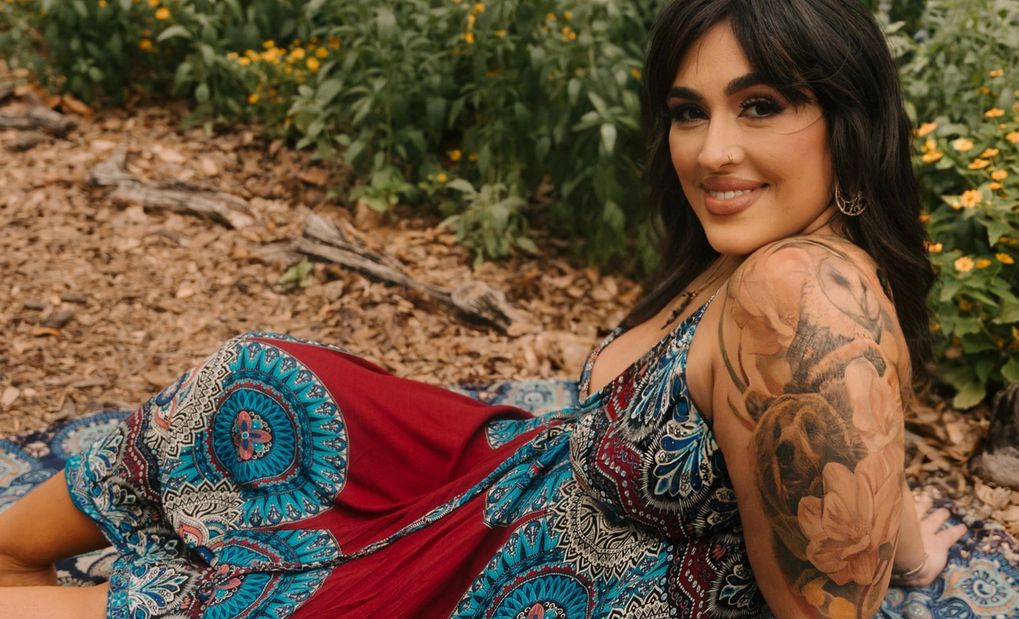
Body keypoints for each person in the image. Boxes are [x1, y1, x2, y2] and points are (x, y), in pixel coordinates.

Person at [0, 0, 967, 616]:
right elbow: (842, 444)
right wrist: (908, 544)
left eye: (759, 107)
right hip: (516, 474)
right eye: (688, 109)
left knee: (242, 595)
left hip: (533, 575)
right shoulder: (783, 257)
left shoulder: (803, 291)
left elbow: (827, 574)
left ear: (848, 119)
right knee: (257, 383)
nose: (711, 150)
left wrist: (886, 561)